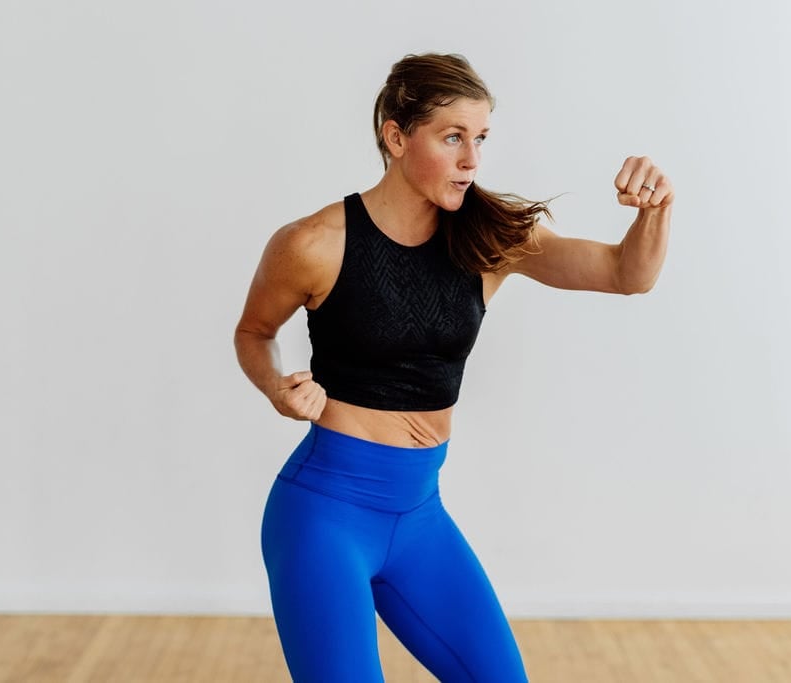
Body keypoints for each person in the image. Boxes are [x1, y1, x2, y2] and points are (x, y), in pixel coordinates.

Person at [234, 53, 672, 682]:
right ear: (395, 137)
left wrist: (655, 209)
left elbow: (627, 275)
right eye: (452, 137)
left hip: (419, 516)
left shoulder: (484, 241)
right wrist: (276, 386)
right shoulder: (313, 243)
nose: (473, 159)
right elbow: (254, 333)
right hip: (324, 517)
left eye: (482, 138)